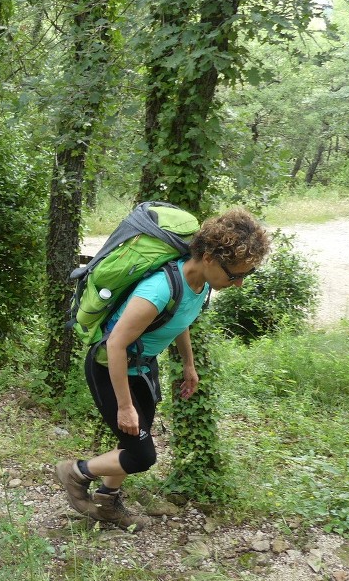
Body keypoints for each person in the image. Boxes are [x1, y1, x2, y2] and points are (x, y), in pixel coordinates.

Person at [54, 207, 271, 531]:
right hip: (110, 369)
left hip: (142, 367)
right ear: (209, 257)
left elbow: (179, 320)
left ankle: (106, 502)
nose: (238, 283)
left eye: (245, 275)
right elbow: (115, 344)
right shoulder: (158, 289)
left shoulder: (200, 285)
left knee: (131, 443)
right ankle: (75, 471)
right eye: (234, 274)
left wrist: (188, 365)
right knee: (142, 455)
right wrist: (125, 406)